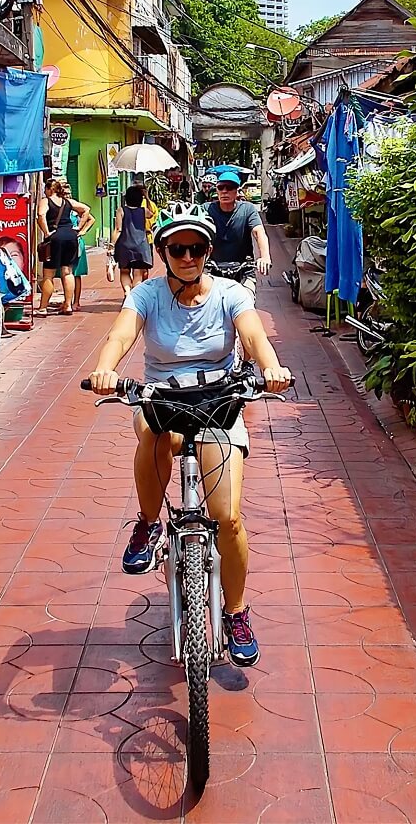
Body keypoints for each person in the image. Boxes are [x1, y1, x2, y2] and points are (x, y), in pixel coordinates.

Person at [88, 206, 292, 667]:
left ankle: (237, 611)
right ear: (162, 253)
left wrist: (270, 367)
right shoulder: (146, 295)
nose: (187, 256)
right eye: (177, 248)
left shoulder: (230, 293)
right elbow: (121, 335)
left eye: (196, 248)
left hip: (219, 400)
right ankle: (147, 523)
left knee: (229, 519)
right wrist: (106, 368)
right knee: (155, 433)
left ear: (208, 251)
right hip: (162, 399)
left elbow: (254, 336)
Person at [207, 166, 271, 295]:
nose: (224, 191)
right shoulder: (206, 209)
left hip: (243, 269)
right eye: (221, 187)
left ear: (237, 191)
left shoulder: (248, 209)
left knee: (247, 301)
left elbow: (259, 232)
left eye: (230, 187)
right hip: (214, 270)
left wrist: (265, 257)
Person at [37, 179, 92, 316]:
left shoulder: (46, 201)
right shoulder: (68, 202)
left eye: (46, 189)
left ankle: (43, 307)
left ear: (50, 189)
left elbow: (41, 215)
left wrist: (46, 232)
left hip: (55, 238)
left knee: (48, 274)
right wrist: (79, 228)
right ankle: (68, 305)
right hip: (70, 236)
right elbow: (86, 209)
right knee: (67, 272)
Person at [54, 182, 94, 310]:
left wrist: (81, 230)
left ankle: (76, 302)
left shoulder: (74, 206)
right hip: (65, 241)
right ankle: (67, 301)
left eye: (67, 193)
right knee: (64, 272)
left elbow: (91, 218)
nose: (66, 195)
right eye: (63, 193)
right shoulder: (59, 206)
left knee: (75, 273)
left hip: (75, 242)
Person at [110, 184, 153, 298]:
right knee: (138, 273)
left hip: (125, 246)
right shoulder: (143, 211)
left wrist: (111, 245)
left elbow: (118, 230)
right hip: (141, 246)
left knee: (124, 271)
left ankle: (127, 292)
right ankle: (134, 295)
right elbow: (152, 213)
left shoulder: (121, 210)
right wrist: (147, 197)